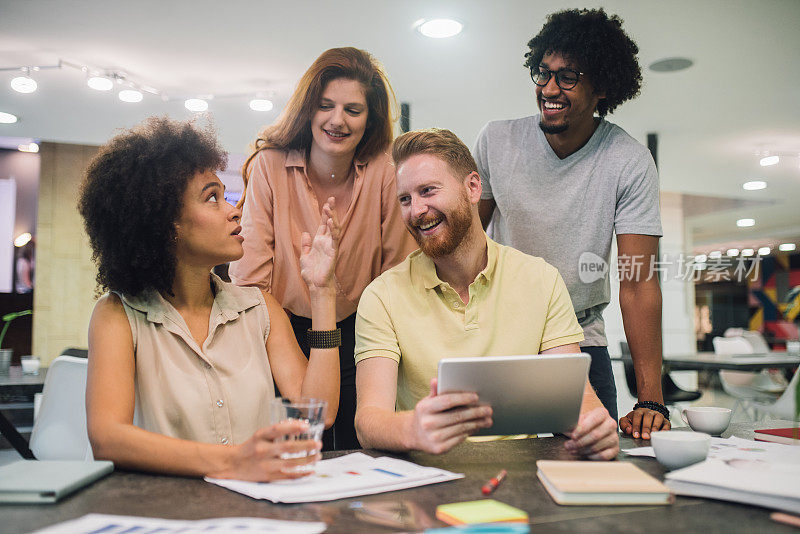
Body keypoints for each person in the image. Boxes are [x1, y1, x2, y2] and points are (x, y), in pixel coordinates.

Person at [78, 117, 342, 481]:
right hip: (168, 514)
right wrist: (234, 462)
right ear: (167, 223)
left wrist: (323, 291)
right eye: (212, 198)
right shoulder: (117, 315)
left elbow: (321, 413)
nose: (234, 209)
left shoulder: (261, 308)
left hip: (258, 509)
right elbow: (108, 439)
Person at [354, 129, 618, 459]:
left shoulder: (541, 280)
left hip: (523, 480)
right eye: (405, 199)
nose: (416, 210)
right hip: (425, 483)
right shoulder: (382, 296)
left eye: (428, 191)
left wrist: (595, 426)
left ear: (473, 188)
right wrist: (411, 428)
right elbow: (368, 422)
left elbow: (576, 400)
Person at [474, 8, 669, 440]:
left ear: (601, 86)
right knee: (490, 467)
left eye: (567, 77)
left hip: (581, 340)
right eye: (543, 74)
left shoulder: (628, 161)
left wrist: (651, 397)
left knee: (596, 469)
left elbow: (638, 282)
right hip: (503, 336)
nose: (549, 89)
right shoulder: (496, 141)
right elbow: (467, 246)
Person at [229, 47, 417, 451]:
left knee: (354, 450)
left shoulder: (386, 169)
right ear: (307, 109)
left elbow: (397, 274)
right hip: (279, 330)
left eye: (353, 109)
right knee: (290, 453)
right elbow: (249, 280)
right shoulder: (270, 164)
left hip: (360, 332)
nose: (337, 120)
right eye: (325, 105)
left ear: (370, 119)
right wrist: (295, 335)